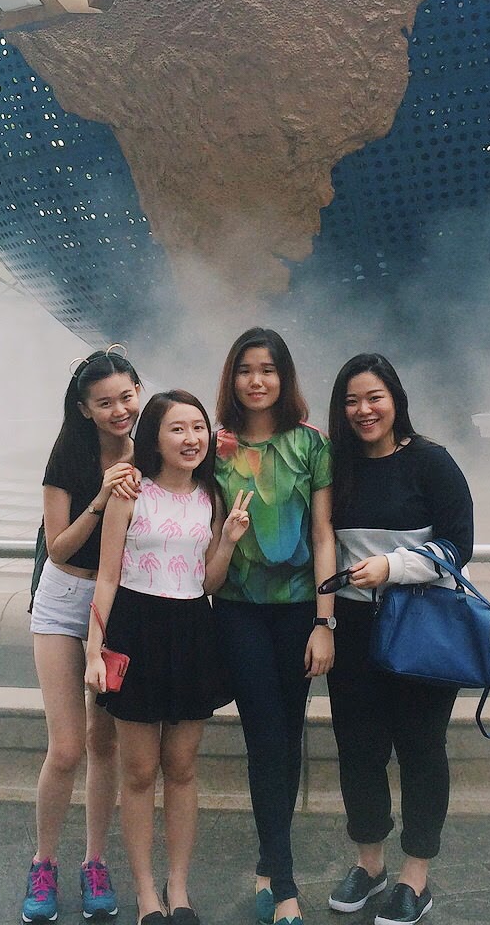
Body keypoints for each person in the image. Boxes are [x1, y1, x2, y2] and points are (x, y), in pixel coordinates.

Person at [86, 390, 251, 925]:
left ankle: (178, 886)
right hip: (136, 628)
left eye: (198, 428)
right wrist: (94, 651)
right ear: (154, 437)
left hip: (191, 630)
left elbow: (208, 581)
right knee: (138, 771)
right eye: (178, 429)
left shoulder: (211, 497)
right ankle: (145, 891)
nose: (191, 439)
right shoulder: (130, 492)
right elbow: (107, 576)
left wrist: (228, 541)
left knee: (181, 768)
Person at [323, 354, 475, 925]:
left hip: (419, 624)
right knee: (358, 748)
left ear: (395, 400)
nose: (364, 410)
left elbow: (458, 545)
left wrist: (394, 567)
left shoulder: (431, 463)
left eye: (374, 398)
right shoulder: (337, 467)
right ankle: (370, 865)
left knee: (420, 748)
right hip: (353, 627)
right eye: (352, 401)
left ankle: (415, 876)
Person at [211, 327, 335, 925]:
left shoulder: (311, 444)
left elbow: (323, 536)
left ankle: (269, 864)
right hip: (238, 611)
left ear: (284, 378)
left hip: (297, 612)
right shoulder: (215, 447)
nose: (256, 381)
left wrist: (325, 620)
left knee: (287, 737)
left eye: (267, 369)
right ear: (231, 378)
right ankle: (284, 887)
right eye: (245, 370)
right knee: (264, 737)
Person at [24, 348, 142, 924]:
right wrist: (100, 497)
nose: (120, 410)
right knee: (67, 747)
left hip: (117, 603)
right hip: (63, 598)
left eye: (127, 397)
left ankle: (95, 862)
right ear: (84, 408)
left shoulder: (148, 451)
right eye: (105, 402)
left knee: (104, 742)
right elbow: (57, 547)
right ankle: (43, 862)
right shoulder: (68, 455)